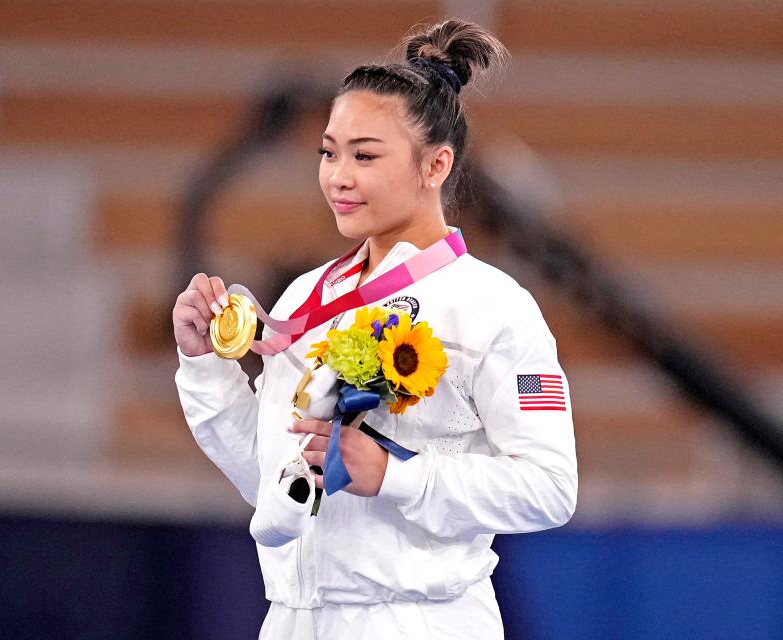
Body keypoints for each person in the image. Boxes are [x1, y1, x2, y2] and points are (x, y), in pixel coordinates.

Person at [172, 18, 577, 639]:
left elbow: (549, 488)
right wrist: (207, 365)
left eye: (365, 156)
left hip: (420, 621)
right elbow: (272, 483)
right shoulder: (309, 295)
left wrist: (396, 474)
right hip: (294, 621)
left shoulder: (493, 306)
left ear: (436, 165)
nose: (338, 176)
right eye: (328, 152)